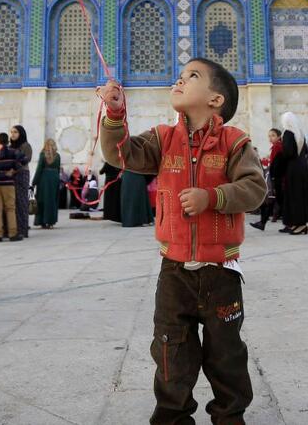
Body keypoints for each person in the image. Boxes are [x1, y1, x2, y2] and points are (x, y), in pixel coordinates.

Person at [98, 57, 266, 424]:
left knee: (226, 354)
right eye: (179, 75)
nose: (179, 80)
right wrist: (114, 114)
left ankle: (229, 416)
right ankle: (172, 416)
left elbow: (255, 188)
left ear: (215, 99)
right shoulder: (163, 139)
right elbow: (120, 153)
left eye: (192, 76)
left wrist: (213, 198)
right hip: (173, 271)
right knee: (171, 349)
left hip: (221, 271)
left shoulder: (236, 143)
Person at [278, 129, 308, 234]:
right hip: (302, 167)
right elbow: (305, 151)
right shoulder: (300, 134)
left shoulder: (289, 133)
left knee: (296, 197)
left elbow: (288, 152)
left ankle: (300, 224)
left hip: (293, 169)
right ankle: (298, 223)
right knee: (300, 196)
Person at [250, 129, 283, 230]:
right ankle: (262, 222)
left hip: (275, 177)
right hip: (273, 176)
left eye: (273, 135)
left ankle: (262, 222)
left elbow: (276, 163)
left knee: (270, 200)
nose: (270, 138)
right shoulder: (275, 147)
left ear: (278, 136)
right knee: (270, 200)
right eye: (269, 136)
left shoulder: (278, 147)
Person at [10, 125, 33, 237]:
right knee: (12, 203)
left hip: (22, 174)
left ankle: (23, 230)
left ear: (21, 134)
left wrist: (13, 169)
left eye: (15, 132)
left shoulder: (25, 146)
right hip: (11, 176)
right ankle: (13, 228)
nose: (13, 134)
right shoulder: (11, 146)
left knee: (22, 203)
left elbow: (26, 160)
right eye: (12, 132)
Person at [33, 139, 61, 229]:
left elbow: (39, 169)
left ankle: (42, 221)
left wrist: (34, 182)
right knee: (52, 200)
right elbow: (58, 169)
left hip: (44, 179)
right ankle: (51, 221)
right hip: (54, 178)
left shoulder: (43, 155)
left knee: (42, 200)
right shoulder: (58, 156)